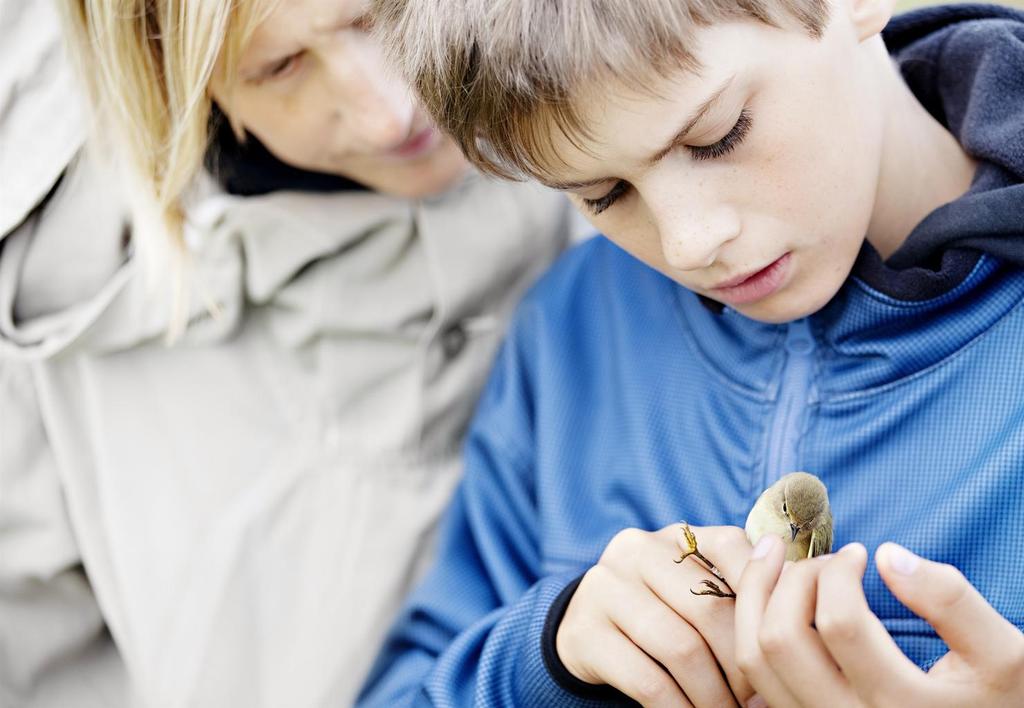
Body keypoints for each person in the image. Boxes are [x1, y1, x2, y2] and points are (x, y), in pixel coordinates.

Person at [358, 0, 1024, 705]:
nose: (688, 243)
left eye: (718, 136)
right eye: (603, 193)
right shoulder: (571, 334)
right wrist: (551, 655)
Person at [0, 0, 572, 704]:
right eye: (279, 68)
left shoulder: (687, 86)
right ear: (164, 75)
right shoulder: (52, 294)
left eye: (389, 11)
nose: (386, 113)